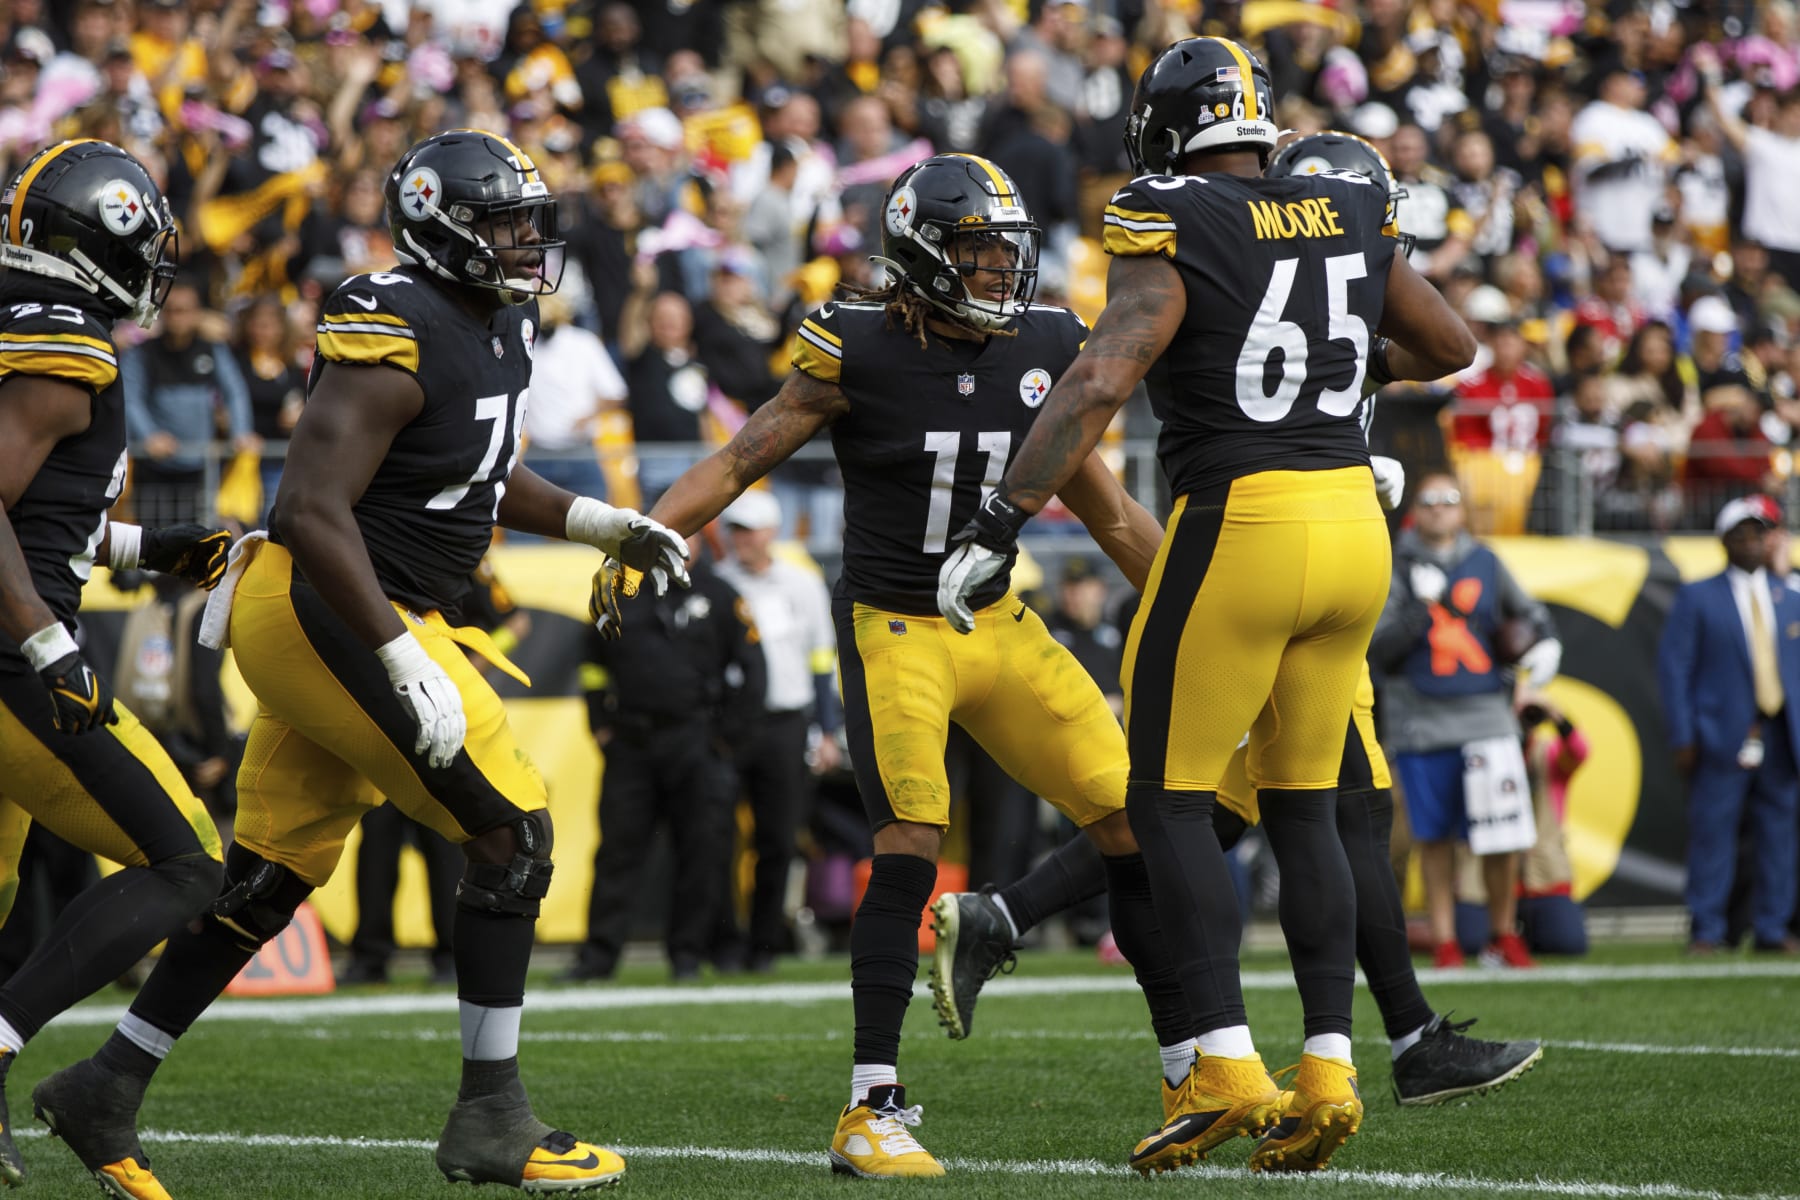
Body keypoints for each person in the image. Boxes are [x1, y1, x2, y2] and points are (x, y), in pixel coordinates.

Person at [35, 130, 691, 1197]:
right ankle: (492, 1118)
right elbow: (308, 506)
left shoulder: (497, 328)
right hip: (330, 610)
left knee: (265, 876)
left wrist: (594, 521)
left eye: (532, 221)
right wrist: (398, 654)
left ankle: (106, 1084)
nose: (528, 242)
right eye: (505, 223)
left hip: (355, 611)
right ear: (442, 226)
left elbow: (478, 470)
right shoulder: (394, 321)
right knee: (513, 836)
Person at [936, 44, 1476, 1175]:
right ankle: (1330, 1066)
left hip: (1245, 517)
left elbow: (1099, 380)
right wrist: (1340, 369)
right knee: (1304, 803)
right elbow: (1450, 345)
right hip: (1353, 525)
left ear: (1170, 127)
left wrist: (1000, 522)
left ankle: (1227, 1062)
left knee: (1168, 799)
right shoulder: (1340, 197)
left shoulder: (1166, 208)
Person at [610, 152, 1188, 1179]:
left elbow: (1102, 506)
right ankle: (869, 1107)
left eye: (1006, 251)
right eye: (975, 252)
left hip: (998, 618)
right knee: (910, 839)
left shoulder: (1049, 343)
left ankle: (1194, 1076)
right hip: (894, 625)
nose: (999, 271)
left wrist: (1203, 602)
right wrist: (642, 531)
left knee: (1133, 817)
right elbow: (743, 457)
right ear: (922, 255)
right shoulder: (859, 349)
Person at [0, 138, 233, 1190]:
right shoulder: (65, 345)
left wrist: (159, 550)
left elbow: (50, 518)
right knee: (185, 858)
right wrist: (47, 642)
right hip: (12, 653)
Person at [1370, 473, 1561, 969]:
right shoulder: (1394, 563)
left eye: (1449, 500)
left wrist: (1544, 647)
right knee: (1433, 838)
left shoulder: (1487, 561)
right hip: (1422, 717)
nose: (1438, 509)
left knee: (1505, 834)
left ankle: (1502, 933)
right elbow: (1378, 648)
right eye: (1429, 501)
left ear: (1462, 510)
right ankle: (1447, 940)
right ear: (1416, 509)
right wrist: (1419, 609)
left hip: (1486, 714)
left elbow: (1533, 616)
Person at [572, 535, 765, 981]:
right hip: (632, 742)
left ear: (698, 542)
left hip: (696, 740)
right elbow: (592, 661)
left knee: (701, 852)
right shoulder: (617, 590)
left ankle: (688, 957)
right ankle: (598, 958)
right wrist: (599, 720)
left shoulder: (720, 594)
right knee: (617, 852)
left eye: (685, 534)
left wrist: (728, 740)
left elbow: (753, 667)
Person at [1656, 495, 1800, 954]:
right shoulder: (1698, 596)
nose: (1752, 542)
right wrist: (1684, 734)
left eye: (1759, 533)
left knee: (1780, 835)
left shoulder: (1788, 594)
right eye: (1741, 534)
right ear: (1723, 541)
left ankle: (1774, 928)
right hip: (1721, 734)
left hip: (1781, 731)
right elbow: (1675, 668)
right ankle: (1707, 928)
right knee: (1712, 833)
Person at [712, 489, 839, 971]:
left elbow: (821, 660)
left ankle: (763, 945)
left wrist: (825, 730)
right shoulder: (722, 583)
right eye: (734, 530)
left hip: (786, 722)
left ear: (771, 533)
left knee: (779, 839)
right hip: (732, 725)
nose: (738, 539)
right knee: (718, 839)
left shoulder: (803, 584)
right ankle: (722, 943)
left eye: (747, 530)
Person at [120, 279, 257, 526]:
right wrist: (150, 436)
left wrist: (241, 431)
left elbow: (234, 391)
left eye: (184, 310)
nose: (177, 317)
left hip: (200, 468)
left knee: (197, 542)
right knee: (152, 545)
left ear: (197, 313)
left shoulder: (213, 349)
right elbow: (131, 400)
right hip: (154, 469)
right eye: (171, 311)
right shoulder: (141, 353)